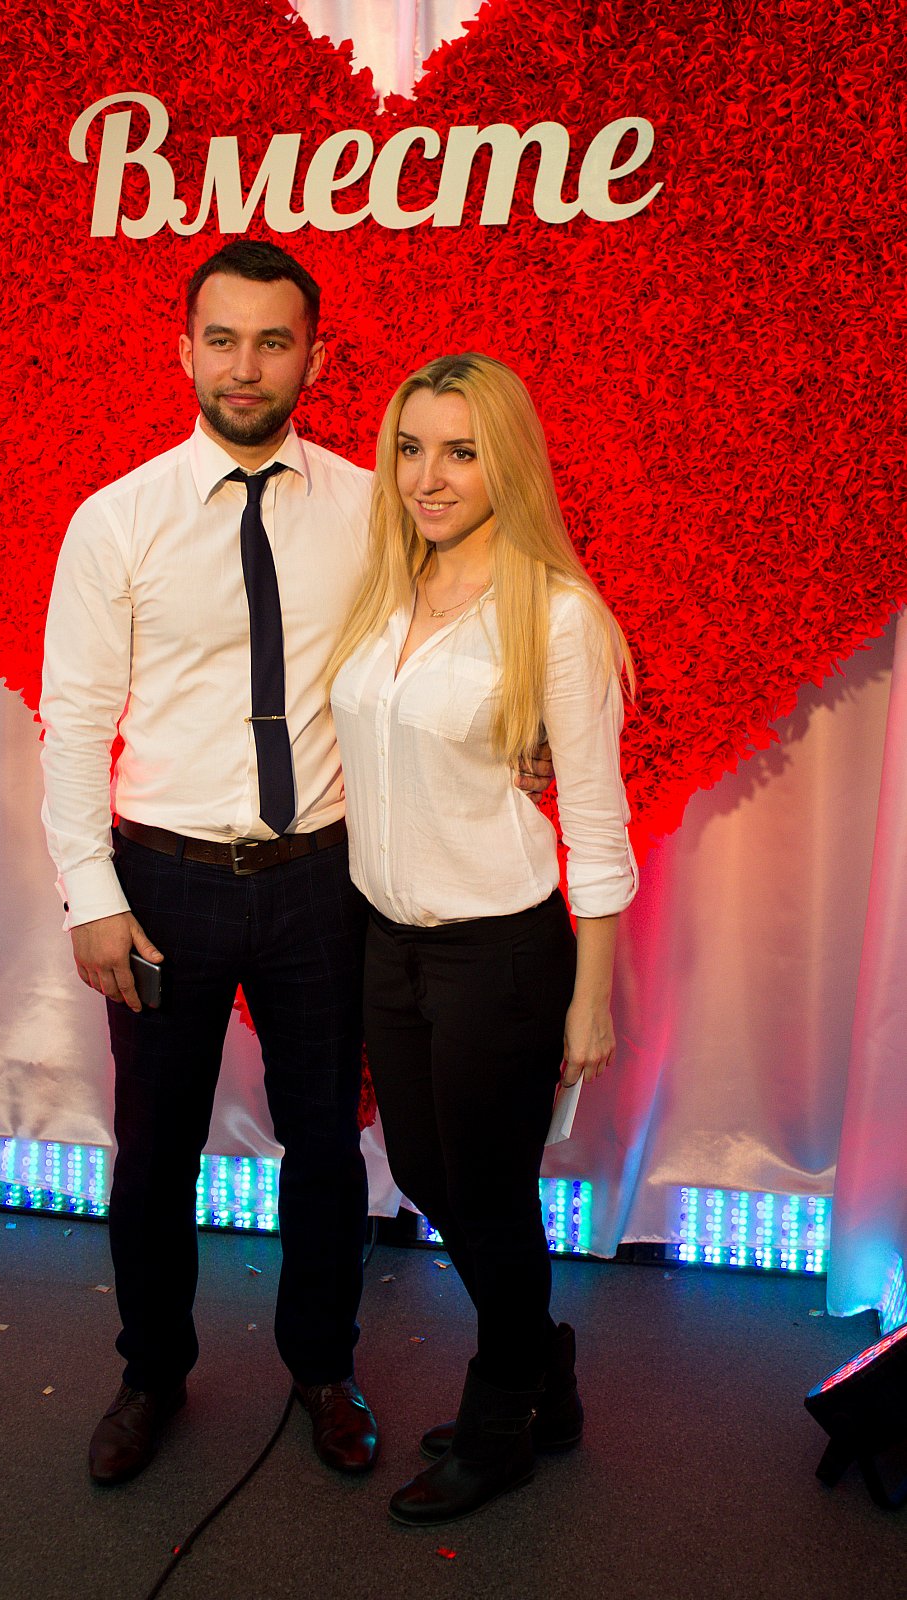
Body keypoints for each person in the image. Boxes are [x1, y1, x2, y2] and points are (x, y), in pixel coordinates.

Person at [39, 241, 380, 1485]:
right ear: (183, 350)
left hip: (319, 878)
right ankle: (150, 1372)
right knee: (154, 1151)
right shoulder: (115, 520)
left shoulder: (369, 508)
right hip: (161, 884)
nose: (246, 366)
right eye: (222, 339)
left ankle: (323, 1366)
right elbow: (74, 722)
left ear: (313, 359)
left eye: (272, 341)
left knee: (325, 1145)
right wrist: (92, 896)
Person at [327, 352, 638, 1525]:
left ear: (506, 462)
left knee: (491, 1194)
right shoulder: (382, 591)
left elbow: (594, 827)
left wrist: (588, 998)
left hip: (497, 954)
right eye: (410, 449)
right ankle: (542, 1362)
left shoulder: (555, 618)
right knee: (421, 1172)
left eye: (459, 451)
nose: (429, 476)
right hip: (385, 941)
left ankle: (504, 1411)